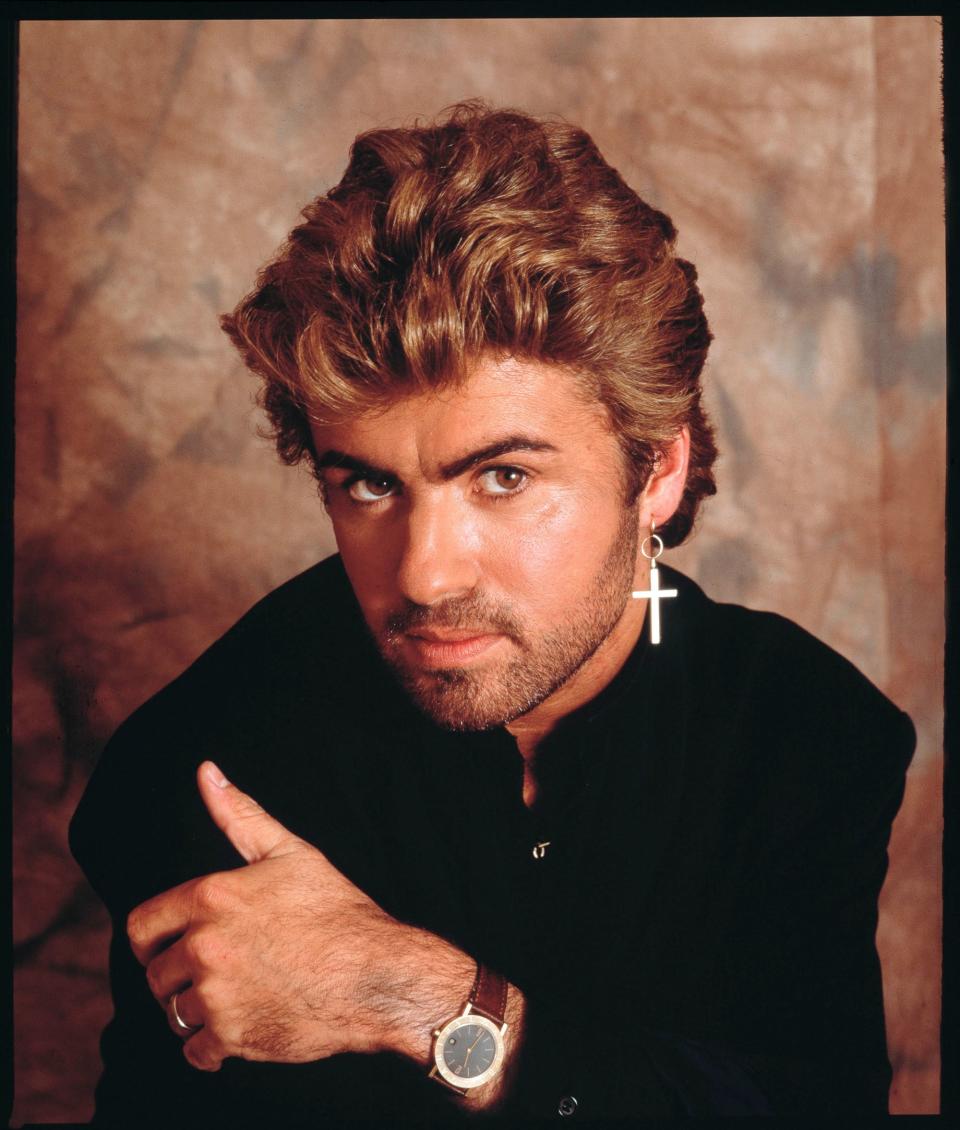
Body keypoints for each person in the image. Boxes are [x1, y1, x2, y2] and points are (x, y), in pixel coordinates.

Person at [69, 102, 915, 1123]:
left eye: (504, 477)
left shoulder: (807, 732)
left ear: (658, 469)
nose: (423, 576)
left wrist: (428, 1000)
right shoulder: (205, 768)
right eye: (369, 486)